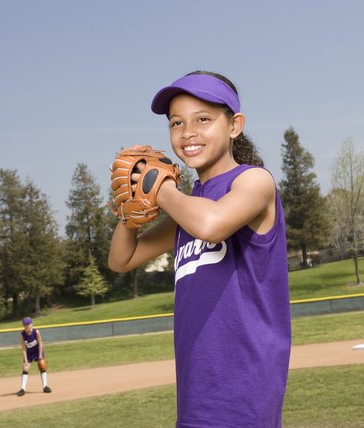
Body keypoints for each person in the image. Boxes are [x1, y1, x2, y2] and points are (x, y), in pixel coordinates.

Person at [108, 71, 292, 427]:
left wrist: (157, 187)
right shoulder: (188, 208)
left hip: (246, 386)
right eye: (177, 123)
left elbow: (211, 224)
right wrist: (131, 213)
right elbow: (121, 259)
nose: (187, 132)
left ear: (235, 125)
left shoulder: (253, 181)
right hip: (198, 390)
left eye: (203, 119)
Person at [17, 317, 52, 396]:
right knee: (25, 368)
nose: (27, 326)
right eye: (25, 325)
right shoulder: (22, 335)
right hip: (28, 353)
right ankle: (22, 389)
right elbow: (24, 349)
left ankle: (45, 386)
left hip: (37, 351)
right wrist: (26, 360)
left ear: (31, 324)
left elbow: (40, 344)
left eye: (28, 324)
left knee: (42, 365)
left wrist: (40, 355)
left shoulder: (36, 332)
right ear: (23, 325)